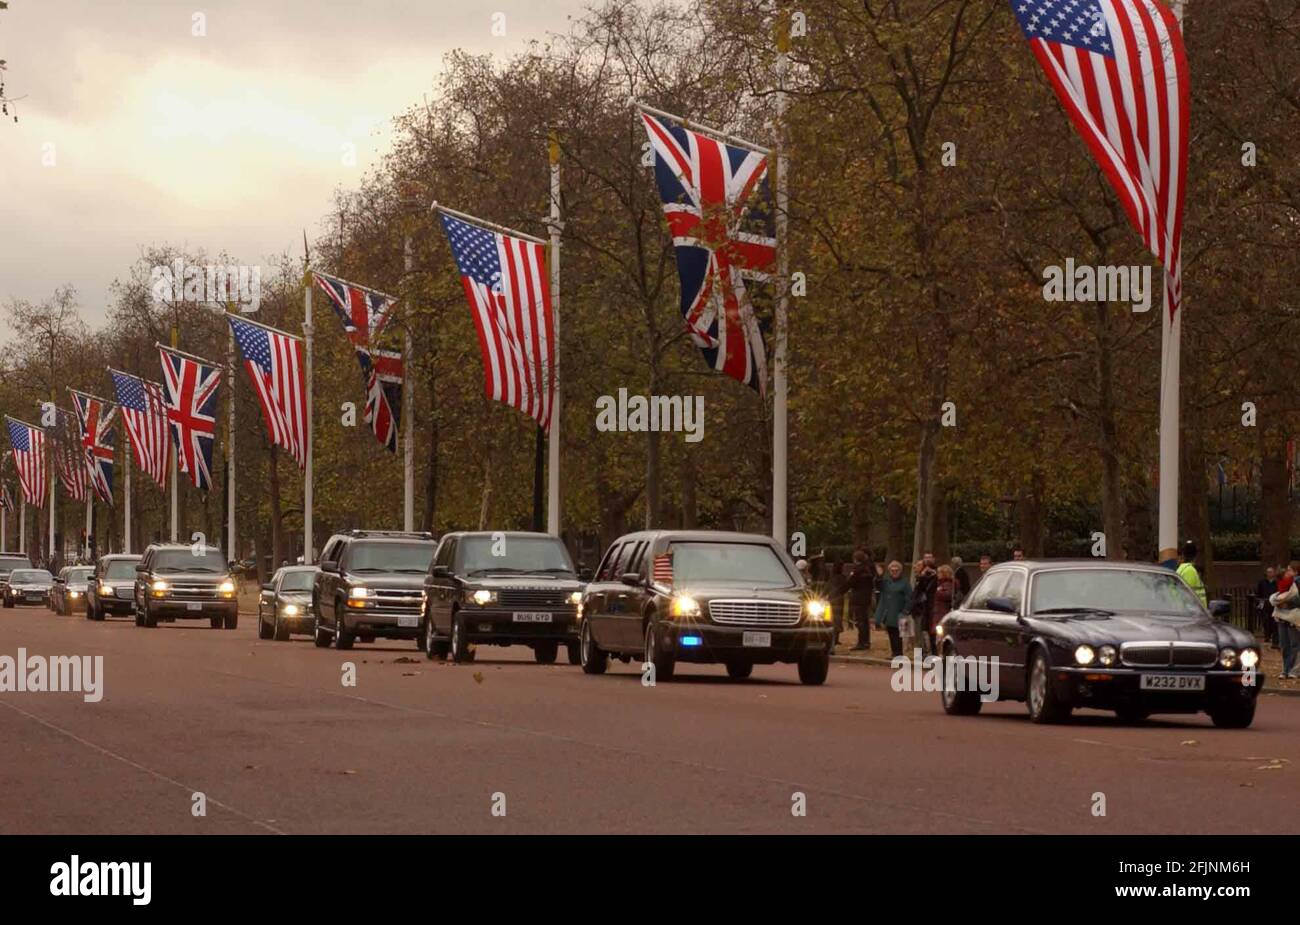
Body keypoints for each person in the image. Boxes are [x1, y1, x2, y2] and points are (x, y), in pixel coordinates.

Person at [874, 561, 913, 658]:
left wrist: (906, 610)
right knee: (891, 633)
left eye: (896, 570)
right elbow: (878, 585)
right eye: (892, 570)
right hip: (888, 612)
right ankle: (894, 653)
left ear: (900, 571)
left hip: (899, 611)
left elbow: (910, 598)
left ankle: (899, 654)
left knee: (898, 634)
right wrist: (879, 576)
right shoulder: (886, 581)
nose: (894, 572)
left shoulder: (904, 583)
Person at [1269, 563, 1300, 679]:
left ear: (1296, 572)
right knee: (1284, 645)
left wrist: (1287, 603)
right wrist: (1277, 600)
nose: (1287, 572)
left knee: (1294, 645)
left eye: (1289, 570)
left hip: (1293, 618)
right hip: (1282, 618)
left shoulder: (1297, 582)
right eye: (1287, 571)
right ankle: (1286, 669)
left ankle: (1292, 670)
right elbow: (1277, 596)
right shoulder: (1284, 583)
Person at [847, 550, 875, 650]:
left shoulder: (857, 571)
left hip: (858, 598)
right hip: (866, 598)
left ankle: (862, 642)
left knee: (860, 621)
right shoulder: (868, 569)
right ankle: (866, 641)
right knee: (865, 620)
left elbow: (850, 583)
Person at [910, 556, 938, 655]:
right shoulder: (920, 578)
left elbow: (925, 591)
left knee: (923, 634)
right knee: (918, 634)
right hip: (917, 608)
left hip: (923, 609)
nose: (915, 567)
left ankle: (925, 653)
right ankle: (921, 653)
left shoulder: (931, 578)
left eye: (919, 565)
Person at [930, 564, 959, 645]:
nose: (937, 574)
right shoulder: (940, 584)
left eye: (939, 573)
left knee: (941, 636)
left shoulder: (948, 584)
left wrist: (938, 592)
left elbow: (948, 595)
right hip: (938, 612)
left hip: (943, 613)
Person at [1176, 540, 1208, 607]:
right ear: (1196, 555)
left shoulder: (1181, 568)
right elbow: (1187, 597)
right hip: (1194, 613)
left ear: (1183, 554)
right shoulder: (1190, 570)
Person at [1256, 566, 1279, 647]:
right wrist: (1260, 601)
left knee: (1273, 620)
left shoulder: (1276, 583)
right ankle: (1267, 636)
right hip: (1265, 603)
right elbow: (1258, 593)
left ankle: (1273, 636)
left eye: (1271, 572)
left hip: (1274, 604)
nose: (1269, 573)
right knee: (1266, 620)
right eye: (1268, 572)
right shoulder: (1262, 582)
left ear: (1274, 573)